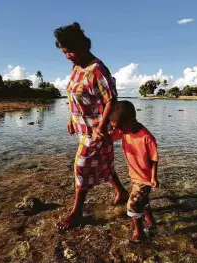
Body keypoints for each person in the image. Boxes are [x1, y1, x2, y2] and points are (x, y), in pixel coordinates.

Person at [54, 22, 128, 230]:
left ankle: (77, 213)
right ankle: (121, 192)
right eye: (64, 52)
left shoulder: (97, 69)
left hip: (97, 129)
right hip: (82, 126)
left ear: (80, 46)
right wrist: (70, 118)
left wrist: (102, 127)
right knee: (102, 161)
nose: (67, 56)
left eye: (68, 51)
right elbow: (71, 94)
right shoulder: (76, 67)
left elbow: (112, 99)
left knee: (82, 166)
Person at [108, 100, 159, 242]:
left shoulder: (147, 138)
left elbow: (154, 159)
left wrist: (154, 178)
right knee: (143, 201)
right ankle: (152, 223)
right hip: (134, 177)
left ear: (130, 121)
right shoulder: (125, 131)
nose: (119, 131)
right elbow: (112, 136)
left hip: (145, 179)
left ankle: (139, 233)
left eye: (120, 128)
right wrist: (103, 133)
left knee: (132, 204)